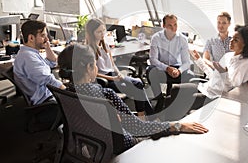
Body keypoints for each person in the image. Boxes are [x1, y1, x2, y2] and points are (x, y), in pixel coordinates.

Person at [57, 44, 209, 153]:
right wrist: (178, 126)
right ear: (90, 67)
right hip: (121, 146)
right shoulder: (105, 95)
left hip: (89, 143)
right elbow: (139, 128)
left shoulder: (65, 92)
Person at [85, 18, 153, 119]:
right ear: (91, 33)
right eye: (99, 32)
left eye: (103, 30)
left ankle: (143, 117)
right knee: (137, 87)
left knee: (138, 84)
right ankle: (147, 117)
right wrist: (113, 78)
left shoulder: (105, 45)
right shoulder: (89, 49)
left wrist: (118, 73)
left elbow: (112, 64)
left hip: (113, 75)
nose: (102, 34)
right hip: (104, 80)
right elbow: (93, 73)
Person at [188, 25, 248, 99]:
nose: (231, 41)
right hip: (207, 88)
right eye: (232, 38)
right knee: (177, 88)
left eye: (236, 40)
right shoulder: (228, 56)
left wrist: (224, 74)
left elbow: (233, 89)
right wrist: (199, 60)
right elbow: (214, 77)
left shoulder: (247, 64)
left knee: (189, 97)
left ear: (246, 45)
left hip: (217, 97)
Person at [146, 14, 194, 112]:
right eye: (170, 25)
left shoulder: (182, 39)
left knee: (190, 75)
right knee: (150, 71)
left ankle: (178, 101)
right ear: (163, 26)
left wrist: (179, 71)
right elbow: (153, 60)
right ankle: (159, 99)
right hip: (162, 68)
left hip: (177, 68)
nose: (173, 28)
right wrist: (167, 68)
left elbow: (186, 62)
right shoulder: (156, 38)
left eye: (175, 25)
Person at [14, 20, 65, 105]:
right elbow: (49, 80)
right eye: (42, 36)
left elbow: (52, 62)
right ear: (31, 38)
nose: (47, 39)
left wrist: (47, 47)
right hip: (47, 100)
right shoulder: (28, 58)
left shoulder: (31, 53)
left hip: (48, 94)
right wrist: (68, 93)